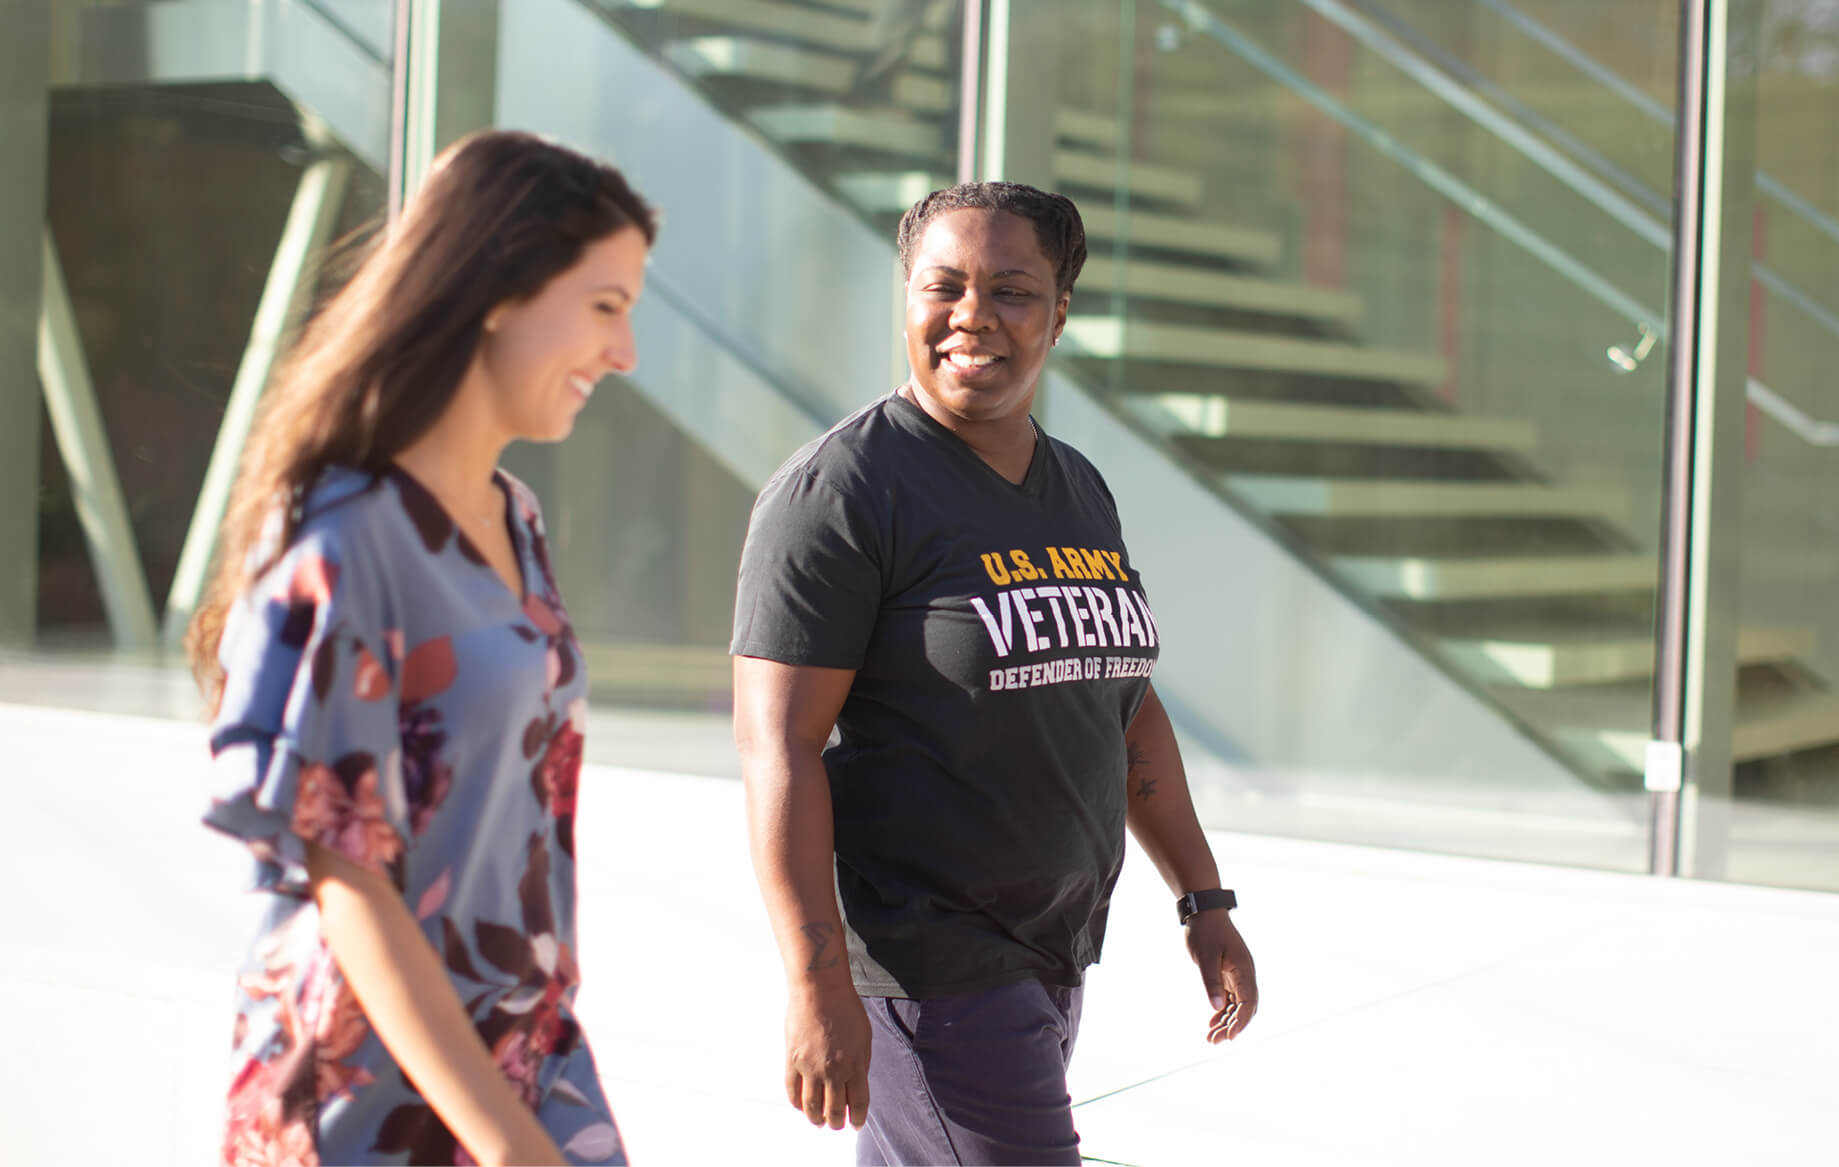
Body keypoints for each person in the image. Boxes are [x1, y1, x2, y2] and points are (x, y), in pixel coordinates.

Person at [730, 181, 1258, 1166]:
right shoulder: (842, 492)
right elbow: (777, 746)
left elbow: (1124, 708)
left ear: (1057, 314)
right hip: (925, 966)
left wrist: (1202, 899)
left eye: (1010, 291)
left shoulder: (1075, 488)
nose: (971, 316)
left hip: (1050, 948)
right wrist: (815, 983)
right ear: (907, 298)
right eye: (943, 286)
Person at [188, 130, 655, 1166]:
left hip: (527, 1048)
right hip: (369, 1088)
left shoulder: (514, 517)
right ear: (500, 286)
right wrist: (504, 1143)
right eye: (606, 307)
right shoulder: (344, 536)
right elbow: (347, 878)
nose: (624, 354)